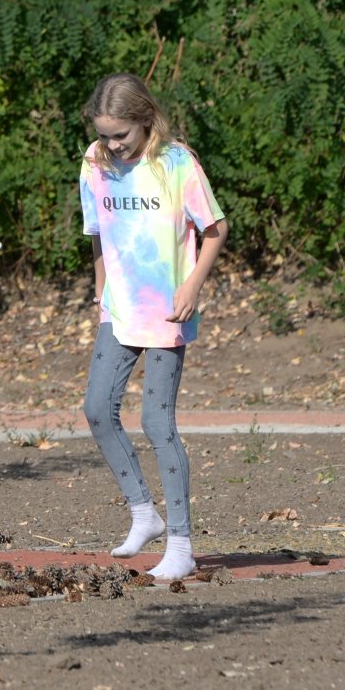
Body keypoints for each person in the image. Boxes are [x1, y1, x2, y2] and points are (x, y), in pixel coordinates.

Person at [78, 73, 227, 582]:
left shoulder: (176, 163)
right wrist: (100, 290)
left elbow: (215, 229)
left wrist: (192, 288)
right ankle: (145, 513)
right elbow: (98, 232)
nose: (112, 144)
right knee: (97, 409)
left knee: (157, 424)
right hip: (119, 309)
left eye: (121, 135)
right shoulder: (94, 164)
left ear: (145, 121)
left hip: (168, 309)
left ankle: (182, 544)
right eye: (105, 134)